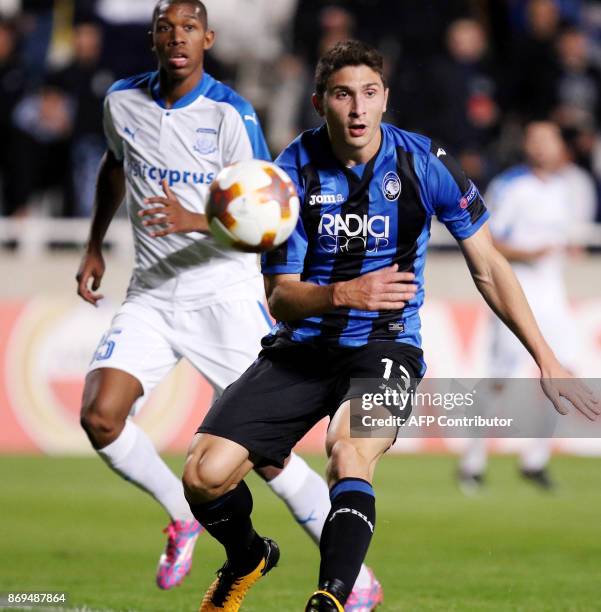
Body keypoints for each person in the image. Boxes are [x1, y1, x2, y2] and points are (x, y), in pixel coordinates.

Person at [182, 40, 600, 612]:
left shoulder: (424, 163)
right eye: (343, 94)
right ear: (319, 102)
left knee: (348, 452)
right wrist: (344, 293)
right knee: (204, 474)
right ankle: (248, 557)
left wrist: (545, 357)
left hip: (387, 347)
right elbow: (281, 298)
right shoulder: (289, 174)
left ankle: (330, 598)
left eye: (369, 94)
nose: (357, 109)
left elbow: (489, 266)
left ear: (385, 100)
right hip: (301, 348)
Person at [76, 2, 380, 606]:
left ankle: (358, 581)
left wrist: (199, 217)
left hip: (224, 297)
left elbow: (271, 213)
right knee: (100, 416)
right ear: (153, 38)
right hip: (152, 295)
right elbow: (115, 166)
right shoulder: (121, 101)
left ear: (208, 38)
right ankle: (181, 517)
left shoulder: (230, 114)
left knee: (264, 456)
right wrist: (93, 246)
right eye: (167, 27)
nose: (178, 37)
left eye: (189, 27)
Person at [458, 121, 594, 492]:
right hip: (515, 288)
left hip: (552, 292)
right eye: (535, 140)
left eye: (548, 140)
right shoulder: (510, 186)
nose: (542, 147)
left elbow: (565, 236)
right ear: (527, 145)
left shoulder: (566, 189)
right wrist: (528, 252)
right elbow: (488, 241)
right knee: (500, 379)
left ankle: (535, 460)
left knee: (567, 372)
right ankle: (471, 462)